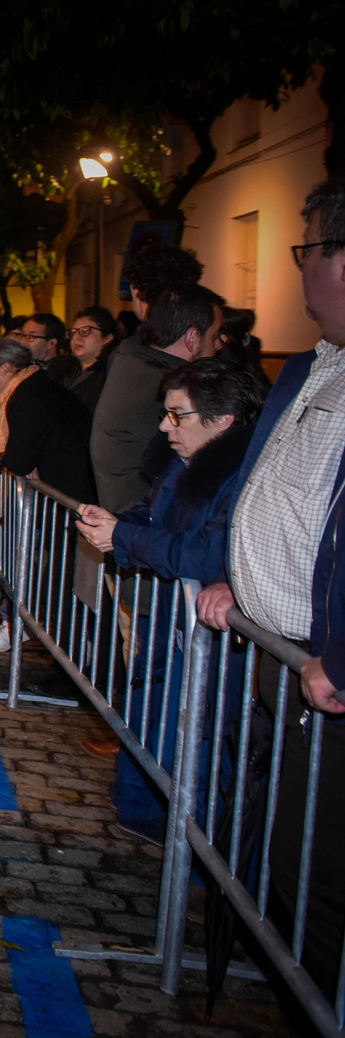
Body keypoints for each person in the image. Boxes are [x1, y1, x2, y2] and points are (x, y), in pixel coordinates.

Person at [198, 176, 345, 992]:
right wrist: (230, 571)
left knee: (315, 879)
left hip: (321, 673)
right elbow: (260, 485)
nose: (297, 273)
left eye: (305, 249)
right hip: (272, 655)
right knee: (274, 855)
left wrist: (339, 657)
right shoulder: (312, 366)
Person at [76, 360, 265, 842]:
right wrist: (117, 523)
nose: (164, 426)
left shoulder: (241, 476)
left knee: (196, 742)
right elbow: (153, 514)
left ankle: (197, 855)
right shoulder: (184, 462)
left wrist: (123, 536)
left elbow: (203, 553)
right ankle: (144, 812)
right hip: (167, 627)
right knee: (151, 720)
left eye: (177, 415)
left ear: (223, 420)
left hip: (204, 642)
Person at [0, 336, 96, 652]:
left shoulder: (27, 397)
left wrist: (11, 458)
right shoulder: (32, 387)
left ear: (7, 368)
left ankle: (64, 646)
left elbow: (18, 459)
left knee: (59, 578)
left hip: (67, 501)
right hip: (64, 499)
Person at [92, 283, 224, 511]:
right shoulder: (170, 390)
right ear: (193, 338)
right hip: (146, 527)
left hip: (130, 523)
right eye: (215, 336)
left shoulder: (132, 361)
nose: (220, 345)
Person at [61, 306, 119, 413]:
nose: (76, 338)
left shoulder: (111, 376)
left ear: (107, 338)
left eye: (85, 331)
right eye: (73, 332)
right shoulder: (62, 370)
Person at [13, 313, 74, 380]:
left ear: (52, 343)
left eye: (31, 336)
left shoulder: (62, 376)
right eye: (22, 335)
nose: (23, 342)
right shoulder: (21, 368)